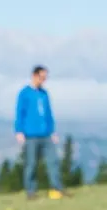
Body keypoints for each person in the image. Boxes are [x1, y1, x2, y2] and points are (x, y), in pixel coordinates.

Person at [14, 65, 68, 200]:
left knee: (53, 161)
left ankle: (57, 188)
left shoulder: (44, 94)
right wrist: (19, 131)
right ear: (34, 76)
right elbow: (20, 112)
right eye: (41, 77)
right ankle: (30, 191)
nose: (43, 80)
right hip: (30, 134)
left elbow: (49, 113)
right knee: (31, 163)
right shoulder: (24, 93)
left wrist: (52, 131)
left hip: (46, 134)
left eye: (45, 78)